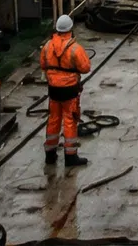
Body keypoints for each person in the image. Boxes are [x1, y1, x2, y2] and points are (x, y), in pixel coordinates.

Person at [39, 14, 92, 166]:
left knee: (53, 119)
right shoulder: (75, 48)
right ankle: (70, 156)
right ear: (71, 29)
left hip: (53, 90)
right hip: (69, 90)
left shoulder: (47, 46)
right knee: (70, 120)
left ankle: (50, 154)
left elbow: (43, 64)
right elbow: (85, 68)